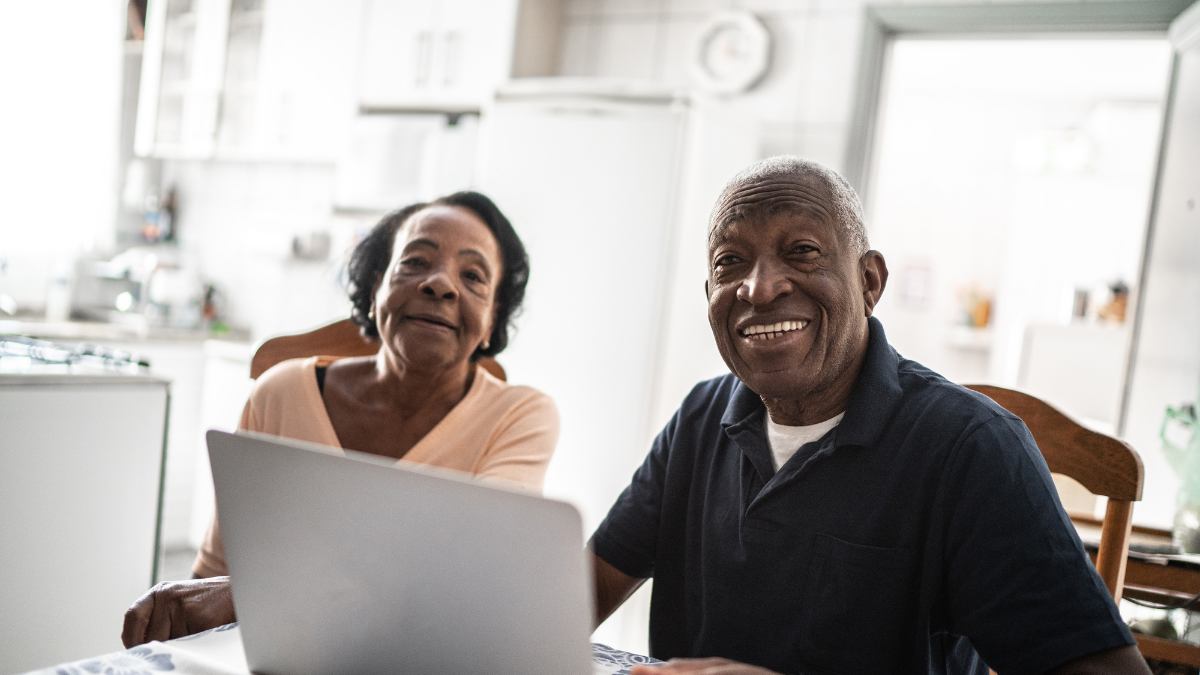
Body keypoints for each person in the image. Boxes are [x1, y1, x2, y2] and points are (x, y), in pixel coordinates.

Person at [587, 157, 1149, 674]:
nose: (758, 288)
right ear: (709, 292)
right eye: (730, 262)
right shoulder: (700, 418)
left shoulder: (971, 447)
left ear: (869, 282)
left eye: (802, 251)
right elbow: (575, 597)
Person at [122, 191, 559, 646]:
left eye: (473, 276)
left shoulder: (520, 417)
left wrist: (248, 595)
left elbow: (470, 584)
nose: (440, 284)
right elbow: (216, 574)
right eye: (414, 262)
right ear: (376, 289)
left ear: (492, 320)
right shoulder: (281, 393)